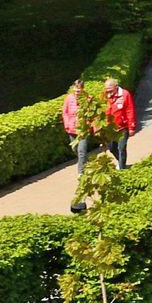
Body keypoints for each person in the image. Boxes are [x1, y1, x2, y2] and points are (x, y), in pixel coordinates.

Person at [60, 80, 91, 210]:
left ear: (83, 89)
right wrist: (67, 124)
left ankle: (81, 172)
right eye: (76, 89)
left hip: (83, 130)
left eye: (79, 89)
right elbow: (65, 112)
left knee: (82, 151)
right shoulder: (69, 99)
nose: (77, 91)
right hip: (72, 129)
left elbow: (92, 113)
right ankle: (85, 163)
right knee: (75, 149)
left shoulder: (88, 98)